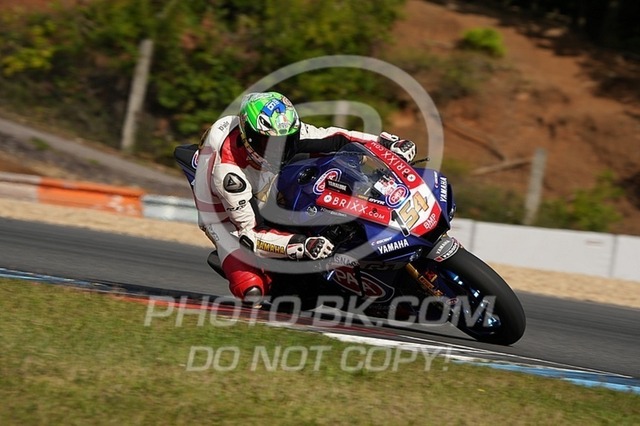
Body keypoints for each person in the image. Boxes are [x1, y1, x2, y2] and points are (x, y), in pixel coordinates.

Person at [179, 92, 416, 302]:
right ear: (247, 137)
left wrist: (385, 143)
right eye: (269, 143)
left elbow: (335, 137)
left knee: (333, 163)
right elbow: (251, 234)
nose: (279, 148)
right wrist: (303, 245)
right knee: (252, 292)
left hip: (264, 176)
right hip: (226, 217)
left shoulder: (283, 128)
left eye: (286, 140)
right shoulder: (229, 176)